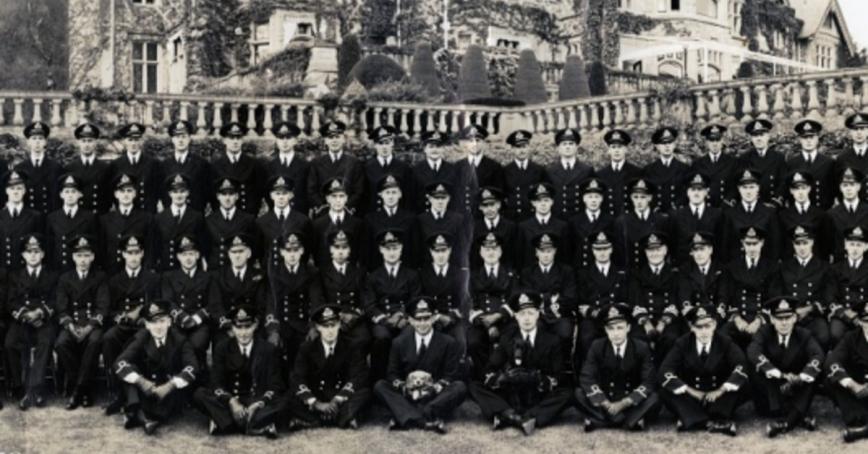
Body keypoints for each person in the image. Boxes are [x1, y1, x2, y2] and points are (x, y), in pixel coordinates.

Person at [469, 292, 572, 436]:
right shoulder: (507, 339)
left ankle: (511, 415)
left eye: (530, 313)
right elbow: (490, 368)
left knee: (568, 391)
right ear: (516, 316)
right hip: (512, 393)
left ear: (538, 314)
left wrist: (540, 378)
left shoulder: (552, 340)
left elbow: (559, 374)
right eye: (522, 314)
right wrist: (502, 378)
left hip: (537, 393)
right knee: (474, 385)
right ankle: (515, 416)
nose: (527, 318)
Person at [374, 297, 467, 434]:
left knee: (460, 387)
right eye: (418, 319)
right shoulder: (399, 342)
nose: (423, 323)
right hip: (409, 395)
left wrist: (433, 389)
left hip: (435, 396)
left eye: (427, 318)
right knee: (380, 386)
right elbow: (392, 374)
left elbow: (451, 375)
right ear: (410, 320)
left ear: (434, 318)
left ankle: (407, 416)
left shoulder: (448, 342)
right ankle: (427, 420)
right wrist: (405, 388)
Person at [194, 305, 284, 438]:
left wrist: (259, 403)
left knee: (286, 400)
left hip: (256, 400)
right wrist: (232, 402)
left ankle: (225, 423)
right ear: (232, 329)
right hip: (231, 399)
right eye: (238, 327)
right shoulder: (222, 348)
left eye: (247, 327)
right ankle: (256, 425)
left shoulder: (267, 349)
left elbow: (275, 384)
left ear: (255, 326)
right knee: (199, 394)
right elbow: (216, 383)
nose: (243, 333)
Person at [659, 304, 749, 436]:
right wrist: (691, 391)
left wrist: (720, 390)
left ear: (714, 325)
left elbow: (741, 365)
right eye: (699, 327)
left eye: (708, 326)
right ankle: (717, 422)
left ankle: (691, 419)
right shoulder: (682, 343)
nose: (704, 331)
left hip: (718, 397)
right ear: (691, 327)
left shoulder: (725, 342)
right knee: (664, 390)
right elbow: (665, 370)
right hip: (691, 396)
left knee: (744, 384)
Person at [114, 300, 198, 436]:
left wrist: (170, 385)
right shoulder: (142, 337)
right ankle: (141, 416)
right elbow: (119, 363)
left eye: (162, 321)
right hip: (145, 388)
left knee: (170, 404)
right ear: (147, 325)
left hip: (167, 390)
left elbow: (192, 367)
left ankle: (134, 413)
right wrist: (141, 381)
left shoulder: (179, 339)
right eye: (153, 322)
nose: (158, 327)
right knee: (130, 370)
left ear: (169, 322)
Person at [746, 296, 824, 438]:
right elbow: (753, 352)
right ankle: (799, 417)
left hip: (794, 389)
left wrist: (800, 377)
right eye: (779, 318)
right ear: (772, 320)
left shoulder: (803, 334)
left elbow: (817, 355)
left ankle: (786, 423)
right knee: (754, 369)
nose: (784, 323)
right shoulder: (764, 332)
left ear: (795, 318)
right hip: (771, 394)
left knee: (814, 374)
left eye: (788, 318)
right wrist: (779, 375)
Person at [576, 303, 660, 432]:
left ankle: (600, 421)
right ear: (605, 330)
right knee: (578, 394)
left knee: (654, 397)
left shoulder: (641, 347)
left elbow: (648, 381)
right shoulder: (597, 346)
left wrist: (624, 403)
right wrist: (604, 402)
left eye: (620, 328)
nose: (616, 333)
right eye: (611, 328)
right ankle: (630, 421)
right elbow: (587, 376)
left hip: (629, 401)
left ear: (628, 328)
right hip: (605, 402)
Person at [285, 305, 371, 430]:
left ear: (339, 325)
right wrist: (316, 403)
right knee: (289, 397)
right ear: (318, 327)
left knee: (365, 393)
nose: (330, 330)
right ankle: (342, 417)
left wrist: (336, 400)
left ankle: (314, 419)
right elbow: (298, 378)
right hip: (317, 396)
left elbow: (358, 376)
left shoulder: (351, 346)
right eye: (325, 326)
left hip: (340, 397)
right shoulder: (307, 348)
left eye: (333, 325)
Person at [102, 234, 160, 415]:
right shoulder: (114, 280)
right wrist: (119, 317)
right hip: (123, 326)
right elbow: (108, 308)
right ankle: (116, 391)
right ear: (123, 255)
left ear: (142, 253)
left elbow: (158, 305)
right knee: (108, 338)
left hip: (143, 326)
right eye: (129, 253)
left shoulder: (152, 278)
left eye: (137, 252)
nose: (133, 257)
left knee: (141, 343)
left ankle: (140, 392)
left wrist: (145, 317)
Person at [54, 234, 110, 409]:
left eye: (86, 256)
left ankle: (78, 390)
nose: (83, 260)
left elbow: (103, 307)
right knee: (61, 343)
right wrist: (70, 326)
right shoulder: (65, 278)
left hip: (92, 324)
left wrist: (88, 328)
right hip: (72, 323)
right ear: (73, 257)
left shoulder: (100, 277)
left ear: (92, 257)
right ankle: (85, 388)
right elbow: (62, 308)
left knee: (94, 341)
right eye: (79, 256)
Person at [4, 234, 58, 410]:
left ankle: (36, 388)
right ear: (23, 255)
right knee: (10, 343)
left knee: (46, 342)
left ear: (42, 254)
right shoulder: (15, 275)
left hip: (43, 320)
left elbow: (54, 300)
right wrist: (26, 315)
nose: (33, 255)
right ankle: (20, 386)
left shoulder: (52, 275)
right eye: (29, 252)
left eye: (37, 251)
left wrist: (40, 313)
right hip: (22, 320)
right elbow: (10, 301)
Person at [364, 228, 421, 380]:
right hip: (382, 320)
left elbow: (415, 301)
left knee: (409, 334)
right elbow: (369, 305)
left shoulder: (411, 274)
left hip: (405, 319)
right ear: (381, 250)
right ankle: (379, 379)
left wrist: (403, 316)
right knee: (382, 338)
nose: (392, 252)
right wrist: (385, 320)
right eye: (388, 248)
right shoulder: (373, 276)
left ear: (401, 249)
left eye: (395, 248)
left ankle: (408, 379)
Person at [264, 231, 325, 370]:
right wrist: (273, 330)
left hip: (303, 325)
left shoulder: (311, 272)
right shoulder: (274, 273)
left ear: (302, 251)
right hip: (281, 324)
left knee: (306, 354)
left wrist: (313, 326)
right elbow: (270, 303)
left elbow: (316, 300)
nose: (292, 254)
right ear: (281, 252)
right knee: (272, 351)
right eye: (288, 250)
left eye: (296, 250)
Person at [467, 232, 516, 379]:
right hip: (482, 321)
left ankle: (507, 377)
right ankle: (485, 377)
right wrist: (487, 323)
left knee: (511, 340)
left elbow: (514, 299)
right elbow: (469, 301)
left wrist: (498, 316)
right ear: (481, 252)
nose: (491, 253)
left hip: (505, 320)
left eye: (494, 249)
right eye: (487, 249)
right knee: (473, 342)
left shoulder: (511, 273)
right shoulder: (473, 275)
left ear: (500, 251)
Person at [825, 300, 868, 442]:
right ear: (860, 322)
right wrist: (851, 384)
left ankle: (862, 428)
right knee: (832, 379)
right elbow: (831, 361)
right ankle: (858, 418)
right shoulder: (851, 337)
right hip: (858, 390)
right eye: (867, 321)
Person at [306, 121, 365, 216]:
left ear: (344, 139)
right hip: (323, 215)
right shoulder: (316, 163)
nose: (334, 141)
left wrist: (345, 207)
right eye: (330, 137)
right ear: (325, 141)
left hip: (347, 213)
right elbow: (311, 190)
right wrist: (323, 208)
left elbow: (359, 190)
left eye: (337, 137)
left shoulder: (354, 163)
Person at [153, 173, 205, 272]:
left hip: (189, 269)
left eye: (182, 191)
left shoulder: (196, 217)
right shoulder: (159, 218)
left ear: (188, 193)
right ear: (169, 194)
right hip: (166, 269)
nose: (179, 195)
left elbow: (201, 246)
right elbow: (155, 247)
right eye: (175, 191)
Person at [45, 174, 98, 272]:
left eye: (73, 192)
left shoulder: (90, 217)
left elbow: (94, 247)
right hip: (59, 269)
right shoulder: (52, 218)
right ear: (61, 195)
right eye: (67, 192)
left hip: (81, 269)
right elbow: (50, 247)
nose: (70, 195)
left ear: (80, 194)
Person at [211, 121, 265, 215]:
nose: (235, 141)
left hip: (247, 217)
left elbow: (259, 193)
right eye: (231, 138)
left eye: (238, 138)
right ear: (224, 140)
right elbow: (212, 196)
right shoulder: (215, 166)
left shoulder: (254, 164)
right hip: (224, 218)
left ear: (242, 140)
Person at [204, 177, 257, 270]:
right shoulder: (209, 220)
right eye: (224, 194)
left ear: (237, 196)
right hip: (216, 272)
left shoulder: (248, 219)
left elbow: (254, 248)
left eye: (231, 194)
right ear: (218, 196)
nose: (227, 198)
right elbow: (206, 249)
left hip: (239, 270)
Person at [161, 120, 213, 212]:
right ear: (172, 140)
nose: (181, 140)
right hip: (171, 215)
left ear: (189, 139)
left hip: (195, 214)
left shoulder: (201, 164)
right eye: (177, 137)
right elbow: (162, 193)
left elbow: (207, 192)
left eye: (184, 137)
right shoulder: (164, 165)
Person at [110, 122, 163, 212]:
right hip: (126, 215)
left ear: (141, 141)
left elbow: (159, 190)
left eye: (136, 139)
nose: (133, 143)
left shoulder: (153, 163)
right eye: (130, 140)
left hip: (148, 214)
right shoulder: (116, 164)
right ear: (124, 141)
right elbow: (112, 192)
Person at [786, 119, 835, 209]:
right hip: (800, 215)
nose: (808, 141)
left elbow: (833, 190)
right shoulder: (791, 164)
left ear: (817, 138)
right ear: (800, 139)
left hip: (823, 213)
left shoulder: (829, 163)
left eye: (812, 137)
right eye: (805, 137)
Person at [15, 121, 63, 214]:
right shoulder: (20, 168)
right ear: (28, 142)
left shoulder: (56, 167)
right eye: (34, 138)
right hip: (28, 218)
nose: (37, 142)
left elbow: (58, 198)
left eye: (40, 138)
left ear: (45, 141)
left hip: (49, 216)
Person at [0, 170, 44, 270]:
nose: (16, 192)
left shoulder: (35, 216)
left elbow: (40, 247)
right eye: (12, 188)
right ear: (6, 191)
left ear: (24, 191)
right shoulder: (1, 215)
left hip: (25, 273)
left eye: (19, 188)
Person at [364, 126, 412, 214]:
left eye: (387, 143)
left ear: (392, 143)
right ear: (375, 145)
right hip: (374, 217)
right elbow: (365, 198)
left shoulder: (403, 168)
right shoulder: (367, 168)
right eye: (380, 143)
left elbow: (408, 197)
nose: (384, 147)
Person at [545, 128, 592, 219]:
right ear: (558, 148)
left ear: (577, 147)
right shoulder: (550, 172)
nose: (568, 147)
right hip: (558, 220)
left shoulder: (587, 170)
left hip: (580, 220)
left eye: (571, 144)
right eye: (564, 144)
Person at [264, 121, 310, 214]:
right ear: (276, 141)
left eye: (288, 138)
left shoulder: (305, 166)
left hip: (299, 215)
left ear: (295, 141)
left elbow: (307, 193)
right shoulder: (269, 167)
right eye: (281, 138)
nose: (284, 141)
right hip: (276, 215)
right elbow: (266, 194)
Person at [67, 123, 112, 214]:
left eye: (90, 141)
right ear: (78, 143)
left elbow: (109, 196)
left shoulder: (105, 168)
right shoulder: (70, 168)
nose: (86, 144)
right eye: (83, 141)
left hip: (99, 217)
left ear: (95, 143)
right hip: (78, 218)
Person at [690, 124, 739, 207]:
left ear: (722, 141)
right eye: (711, 140)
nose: (715, 144)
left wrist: (728, 201)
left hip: (725, 208)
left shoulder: (732, 162)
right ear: (707, 142)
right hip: (705, 209)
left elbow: (735, 187)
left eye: (717, 140)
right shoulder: (698, 164)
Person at [502, 130, 546, 222]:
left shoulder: (539, 170)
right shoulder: (505, 171)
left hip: (533, 218)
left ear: (529, 148)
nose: (522, 150)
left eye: (524, 147)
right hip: (512, 219)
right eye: (518, 147)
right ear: (512, 149)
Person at [595, 129, 640, 218]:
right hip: (608, 221)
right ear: (608, 150)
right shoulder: (600, 175)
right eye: (613, 147)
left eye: (620, 147)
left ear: (626, 149)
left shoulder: (636, 172)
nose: (616, 150)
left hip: (629, 221)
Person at [643, 126, 688, 213]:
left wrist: (677, 207)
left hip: (677, 215)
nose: (667, 146)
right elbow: (646, 194)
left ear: (674, 144)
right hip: (656, 216)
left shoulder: (684, 169)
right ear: (657, 146)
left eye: (670, 142)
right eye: (663, 143)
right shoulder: (648, 170)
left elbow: (687, 194)